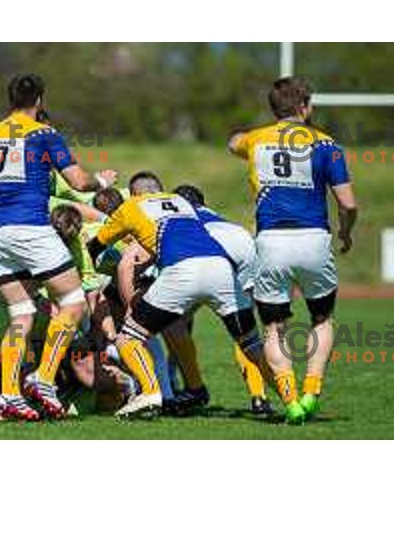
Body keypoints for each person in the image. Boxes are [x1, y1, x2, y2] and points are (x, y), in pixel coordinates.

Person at [0, 75, 117, 421]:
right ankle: (44, 378)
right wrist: (104, 181)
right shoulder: (44, 134)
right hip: (30, 229)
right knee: (74, 301)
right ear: (39, 100)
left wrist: (7, 191)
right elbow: (79, 181)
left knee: (21, 313)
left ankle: (8, 395)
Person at [88, 171, 271, 419]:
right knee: (247, 337)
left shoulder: (148, 215)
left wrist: (132, 306)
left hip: (194, 266)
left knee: (150, 328)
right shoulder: (192, 212)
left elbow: (125, 265)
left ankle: (170, 390)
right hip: (238, 251)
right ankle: (269, 395)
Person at [229, 76, 357, 422]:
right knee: (322, 318)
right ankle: (311, 390)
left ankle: (289, 400)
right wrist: (346, 232)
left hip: (271, 243)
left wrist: (242, 138)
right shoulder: (327, 144)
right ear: (304, 107)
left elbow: (233, 142)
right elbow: (348, 203)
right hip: (314, 240)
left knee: (273, 329)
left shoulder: (256, 140)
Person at [173, 184, 272, 415]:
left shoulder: (178, 218)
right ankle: (260, 397)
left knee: (173, 324)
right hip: (243, 247)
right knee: (246, 336)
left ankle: (185, 387)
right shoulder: (222, 219)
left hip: (204, 262)